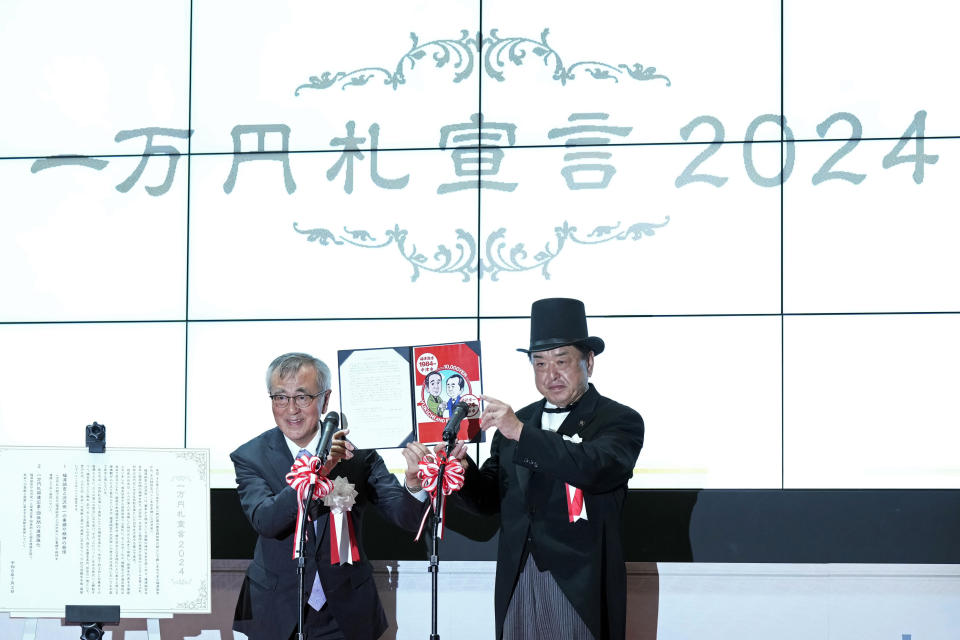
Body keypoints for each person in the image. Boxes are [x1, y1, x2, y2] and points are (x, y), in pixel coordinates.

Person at [450, 298, 644, 640]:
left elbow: (594, 468)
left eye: (561, 361)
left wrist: (522, 433)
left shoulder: (620, 420)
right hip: (516, 579)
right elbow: (488, 500)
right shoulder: (519, 421)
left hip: (580, 583)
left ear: (588, 362)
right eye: (539, 363)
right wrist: (461, 469)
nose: (550, 374)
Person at [231, 352, 430, 640]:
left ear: (325, 400)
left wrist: (413, 482)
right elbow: (266, 520)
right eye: (280, 397)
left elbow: (407, 518)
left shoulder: (357, 454)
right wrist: (316, 471)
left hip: (346, 611)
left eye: (303, 397)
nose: (291, 410)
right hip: (273, 608)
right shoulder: (251, 456)